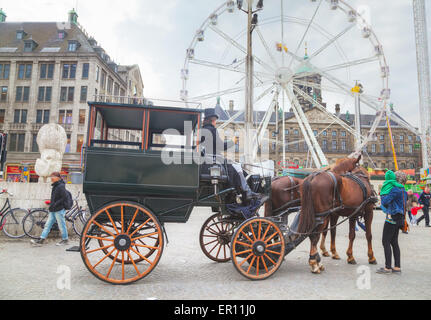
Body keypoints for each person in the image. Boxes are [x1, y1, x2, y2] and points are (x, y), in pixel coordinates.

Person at [200, 108, 260, 203]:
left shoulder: (202, 130)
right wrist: (233, 142)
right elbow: (221, 146)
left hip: (209, 158)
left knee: (236, 166)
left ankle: (245, 190)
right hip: (214, 159)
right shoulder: (211, 130)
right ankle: (247, 191)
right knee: (238, 167)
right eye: (215, 120)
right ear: (213, 120)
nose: (216, 122)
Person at [377, 170, 407, 275]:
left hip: (391, 218)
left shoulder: (395, 189)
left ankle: (387, 267)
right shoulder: (403, 190)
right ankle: (397, 266)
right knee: (394, 242)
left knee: (385, 241)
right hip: (400, 219)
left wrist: (383, 195)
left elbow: (385, 202)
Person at [30, 172, 69, 246]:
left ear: (58, 177)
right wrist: (52, 204)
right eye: (51, 176)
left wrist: (55, 204)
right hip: (53, 209)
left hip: (59, 209)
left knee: (61, 225)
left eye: (53, 176)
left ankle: (65, 240)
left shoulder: (61, 186)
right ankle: (41, 240)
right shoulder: (55, 185)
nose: (51, 178)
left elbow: (64, 197)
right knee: (47, 225)